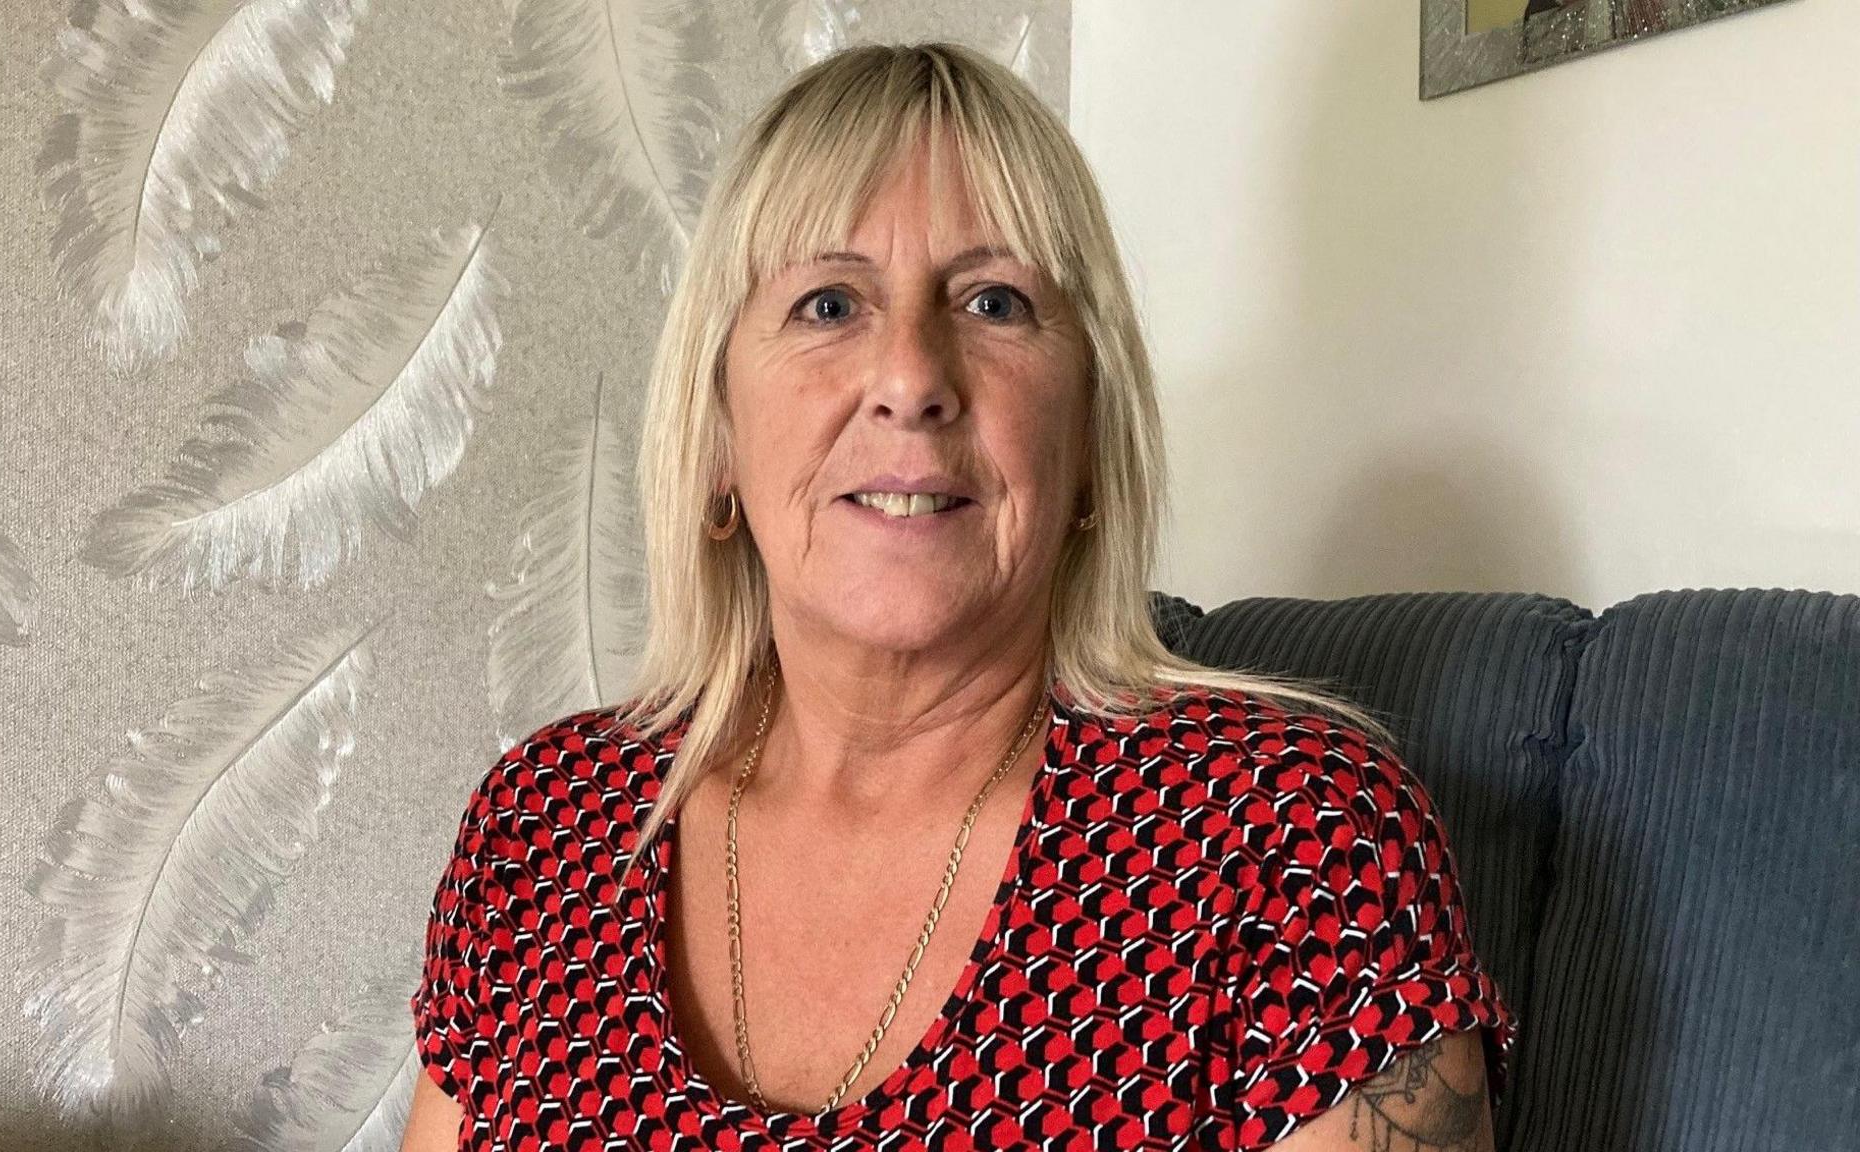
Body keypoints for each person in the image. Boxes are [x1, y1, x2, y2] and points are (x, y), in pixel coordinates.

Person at [400, 41, 1516, 1152]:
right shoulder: (538, 827)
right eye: (828, 304)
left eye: (992, 300)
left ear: (1085, 442)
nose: (910, 379)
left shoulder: (1296, 843)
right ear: (717, 442)